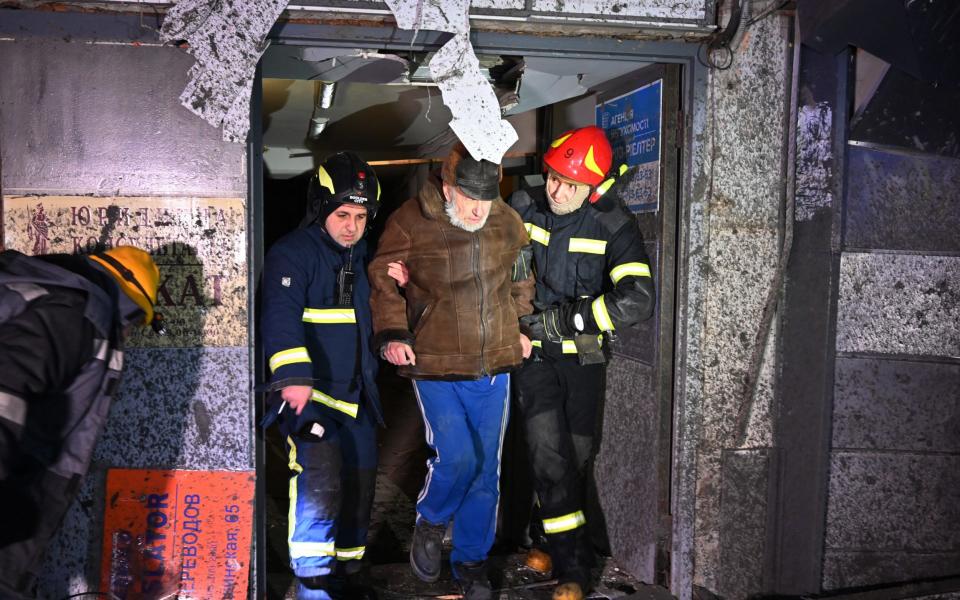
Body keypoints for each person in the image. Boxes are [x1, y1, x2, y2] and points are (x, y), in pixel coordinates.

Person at [368, 143, 534, 600]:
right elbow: (383, 278)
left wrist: (518, 324)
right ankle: (432, 517)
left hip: (492, 363)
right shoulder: (411, 219)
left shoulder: (506, 220)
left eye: (488, 198)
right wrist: (394, 333)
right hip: (436, 362)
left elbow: (521, 274)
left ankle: (471, 562)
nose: (481, 210)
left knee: (485, 470)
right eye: (471, 199)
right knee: (457, 456)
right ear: (447, 187)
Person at [507, 126, 656, 600]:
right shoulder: (525, 203)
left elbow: (639, 299)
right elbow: (497, 271)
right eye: (553, 177)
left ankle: (545, 536)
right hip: (533, 356)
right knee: (549, 454)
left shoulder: (613, 224)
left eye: (570, 184)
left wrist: (568, 320)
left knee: (574, 457)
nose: (556, 190)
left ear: (594, 187)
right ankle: (574, 569)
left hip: (584, 359)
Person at [0, 245, 162, 598]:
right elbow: (7, 387)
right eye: (136, 322)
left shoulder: (46, 291)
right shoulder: (80, 315)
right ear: (131, 304)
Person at [260, 152, 383, 600]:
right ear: (321, 210)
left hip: (357, 396)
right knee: (320, 477)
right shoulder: (292, 254)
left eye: (360, 216)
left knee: (361, 482)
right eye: (342, 214)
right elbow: (280, 319)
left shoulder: (366, 256)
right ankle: (313, 582)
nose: (351, 226)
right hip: (309, 394)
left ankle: (347, 575)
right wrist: (292, 381)